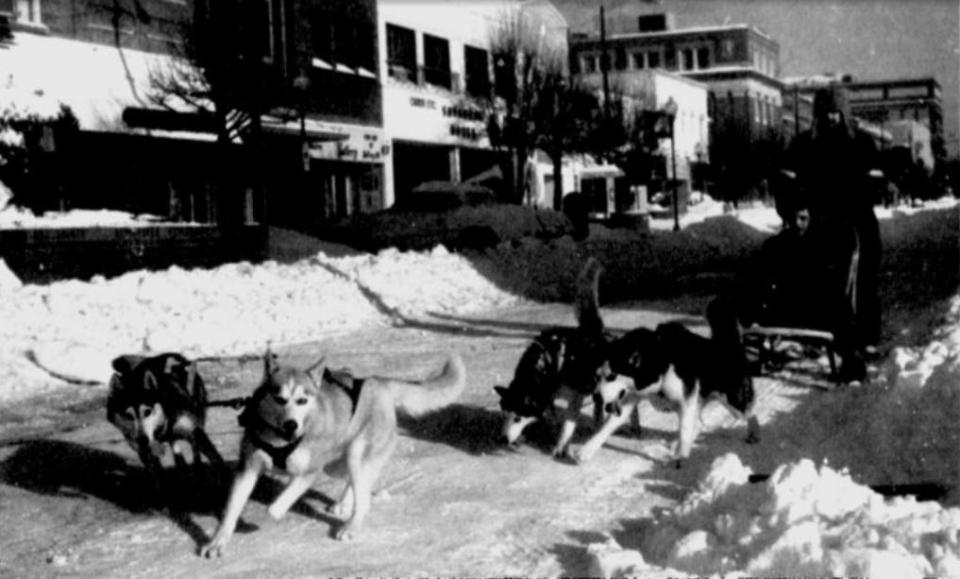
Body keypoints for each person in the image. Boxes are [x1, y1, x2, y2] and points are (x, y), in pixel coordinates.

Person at [786, 85, 882, 351]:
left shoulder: (861, 143)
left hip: (856, 220)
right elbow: (788, 181)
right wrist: (795, 208)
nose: (831, 118)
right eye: (825, 113)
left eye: (836, 113)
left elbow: (874, 180)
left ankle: (865, 332)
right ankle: (816, 329)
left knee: (862, 275)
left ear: (844, 113)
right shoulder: (804, 144)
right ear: (817, 114)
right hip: (820, 220)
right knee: (811, 272)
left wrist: (866, 192)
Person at [738, 192, 867, 383]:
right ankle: (749, 352)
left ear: (811, 219)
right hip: (784, 308)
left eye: (803, 218)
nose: (797, 223)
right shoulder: (776, 244)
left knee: (839, 306)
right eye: (793, 218)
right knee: (752, 291)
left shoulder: (823, 244)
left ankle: (851, 363)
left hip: (815, 311)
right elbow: (760, 276)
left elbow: (835, 283)